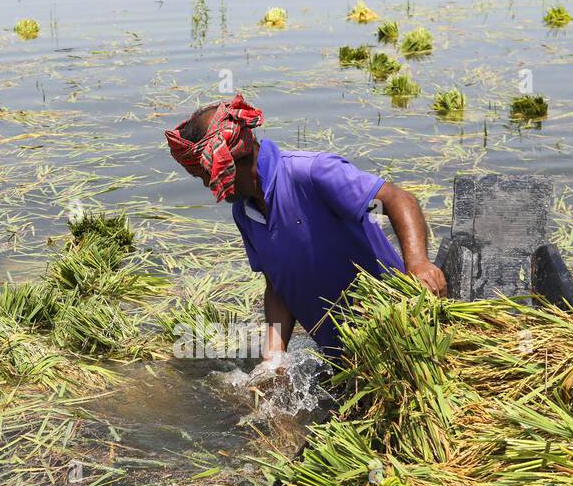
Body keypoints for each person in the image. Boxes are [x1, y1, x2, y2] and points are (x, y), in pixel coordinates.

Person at [165, 94, 446, 365]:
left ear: (232, 161)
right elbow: (277, 284)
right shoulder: (244, 212)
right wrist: (274, 354)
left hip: (399, 333)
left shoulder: (312, 173)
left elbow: (397, 199)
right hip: (344, 358)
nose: (207, 186)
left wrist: (419, 263)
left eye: (207, 176)